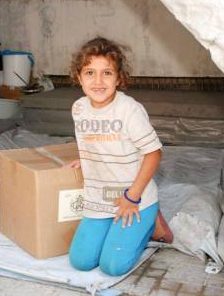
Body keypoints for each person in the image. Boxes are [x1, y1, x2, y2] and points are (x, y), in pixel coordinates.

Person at [67, 37, 173, 277]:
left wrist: (132, 197)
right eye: (90, 72)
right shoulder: (79, 108)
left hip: (132, 197)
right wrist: (86, 159)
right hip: (99, 197)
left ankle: (151, 222)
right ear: (79, 76)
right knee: (81, 261)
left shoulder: (129, 110)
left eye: (107, 72)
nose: (98, 81)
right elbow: (92, 138)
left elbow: (154, 153)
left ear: (118, 78)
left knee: (112, 266)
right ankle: (128, 228)